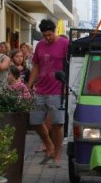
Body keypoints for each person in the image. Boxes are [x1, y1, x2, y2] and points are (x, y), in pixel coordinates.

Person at [27, 19, 69, 168]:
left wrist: (67, 84)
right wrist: (29, 84)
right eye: (45, 35)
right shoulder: (40, 45)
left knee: (58, 124)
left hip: (58, 90)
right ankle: (48, 145)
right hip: (40, 90)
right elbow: (36, 66)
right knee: (35, 121)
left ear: (55, 31)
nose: (48, 38)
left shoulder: (65, 44)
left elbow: (71, 64)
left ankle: (57, 155)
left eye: (50, 34)